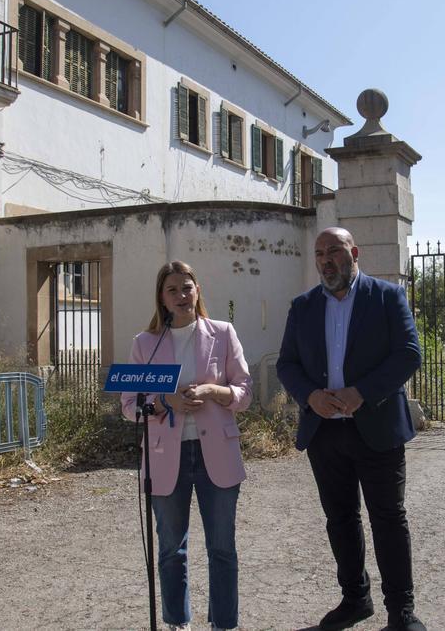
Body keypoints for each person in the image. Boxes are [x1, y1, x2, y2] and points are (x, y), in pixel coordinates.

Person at [277, 227, 425, 631]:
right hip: (325, 432)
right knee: (340, 519)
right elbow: (287, 363)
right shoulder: (303, 306)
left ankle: (401, 611)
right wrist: (310, 396)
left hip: (376, 428)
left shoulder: (387, 296)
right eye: (320, 253)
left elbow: (409, 354)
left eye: (334, 251)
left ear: (354, 253)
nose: (326, 260)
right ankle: (355, 599)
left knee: (388, 518)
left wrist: (363, 392)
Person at [121, 261, 252, 631]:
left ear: (198, 291)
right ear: (162, 299)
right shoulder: (145, 344)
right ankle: (178, 622)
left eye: (187, 287)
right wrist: (167, 401)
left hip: (217, 455)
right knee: (170, 549)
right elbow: (130, 406)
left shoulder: (223, 333)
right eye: (172, 290)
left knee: (222, 548)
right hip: (166, 458)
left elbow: (244, 393)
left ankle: (224, 624)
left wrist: (213, 390)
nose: (181, 295)